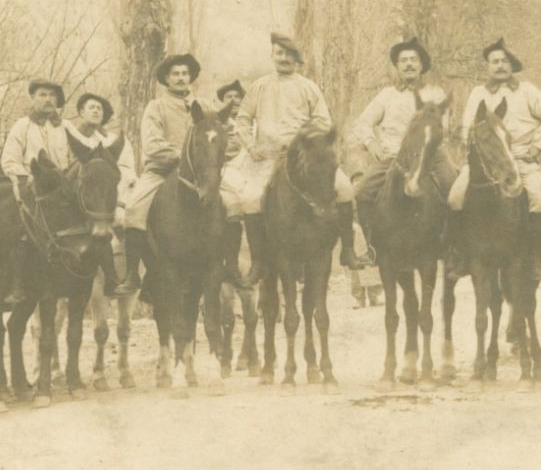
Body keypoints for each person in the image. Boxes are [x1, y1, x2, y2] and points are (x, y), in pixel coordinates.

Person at [222, 32, 371, 273]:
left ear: (297, 59)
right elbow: (242, 120)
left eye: (289, 54)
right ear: (272, 56)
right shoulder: (259, 87)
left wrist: (306, 140)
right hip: (268, 158)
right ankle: (258, 262)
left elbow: (323, 121)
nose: (283, 58)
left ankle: (348, 251)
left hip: (304, 158)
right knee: (250, 200)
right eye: (279, 53)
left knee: (344, 189)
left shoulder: (308, 87)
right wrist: (251, 146)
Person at [448, 38, 541, 257]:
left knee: (539, 200)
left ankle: (534, 258)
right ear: (488, 66)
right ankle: (460, 255)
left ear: (512, 65)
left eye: (504, 61)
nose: (500, 65)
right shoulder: (477, 93)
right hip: (485, 162)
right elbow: (466, 127)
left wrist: (537, 148)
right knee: (455, 197)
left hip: (520, 158)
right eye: (494, 61)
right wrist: (474, 151)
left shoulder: (527, 90)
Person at [120, 53, 203, 294]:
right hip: (161, 171)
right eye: (175, 74)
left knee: (233, 202)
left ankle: (228, 264)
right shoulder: (156, 107)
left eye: (185, 73)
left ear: (191, 77)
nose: (180, 78)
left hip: (198, 175)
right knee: (134, 209)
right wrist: (183, 156)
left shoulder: (204, 106)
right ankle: (133, 274)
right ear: (166, 79)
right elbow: (153, 144)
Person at [348, 36, 455, 203]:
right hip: (393, 158)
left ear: (421, 65)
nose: (408, 64)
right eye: (403, 61)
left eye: (413, 60)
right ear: (397, 67)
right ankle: (367, 229)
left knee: (454, 192)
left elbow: (444, 128)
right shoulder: (387, 95)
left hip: (431, 158)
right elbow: (363, 122)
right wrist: (370, 143)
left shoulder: (436, 93)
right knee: (362, 192)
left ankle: (452, 229)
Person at [0, 79, 77, 305]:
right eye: (42, 95)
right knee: (20, 224)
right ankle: (16, 282)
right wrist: (30, 178)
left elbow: (80, 153)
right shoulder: (22, 126)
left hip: (61, 186)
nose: (48, 100)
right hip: (33, 183)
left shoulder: (65, 127)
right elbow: (9, 160)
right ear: (33, 99)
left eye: (52, 96)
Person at [68, 91, 135, 296]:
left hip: (103, 197)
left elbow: (125, 171)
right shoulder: (69, 134)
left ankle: (118, 278)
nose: (96, 111)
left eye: (100, 108)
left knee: (117, 229)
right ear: (80, 112)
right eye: (92, 107)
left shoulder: (111, 141)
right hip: (72, 192)